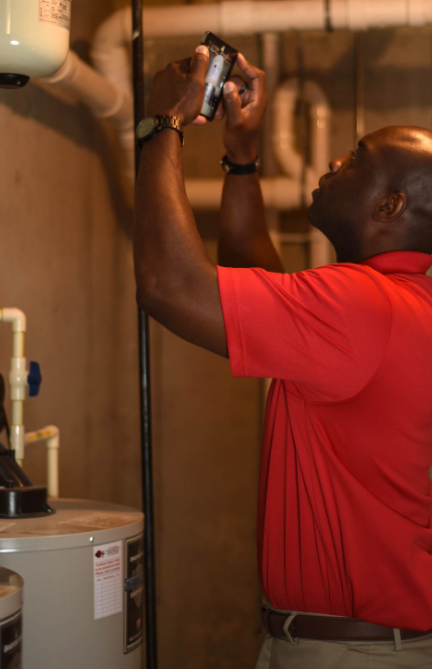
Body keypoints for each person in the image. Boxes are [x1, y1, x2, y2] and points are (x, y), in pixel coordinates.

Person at [133, 45, 432, 668]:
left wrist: (163, 125)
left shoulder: (362, 307)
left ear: (389, 206)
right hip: (364, 643)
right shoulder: (400, 305)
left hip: (350, 653)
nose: (333, 159)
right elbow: (256, 280)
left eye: (357, 160)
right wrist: (242, 160)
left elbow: (170, 285)